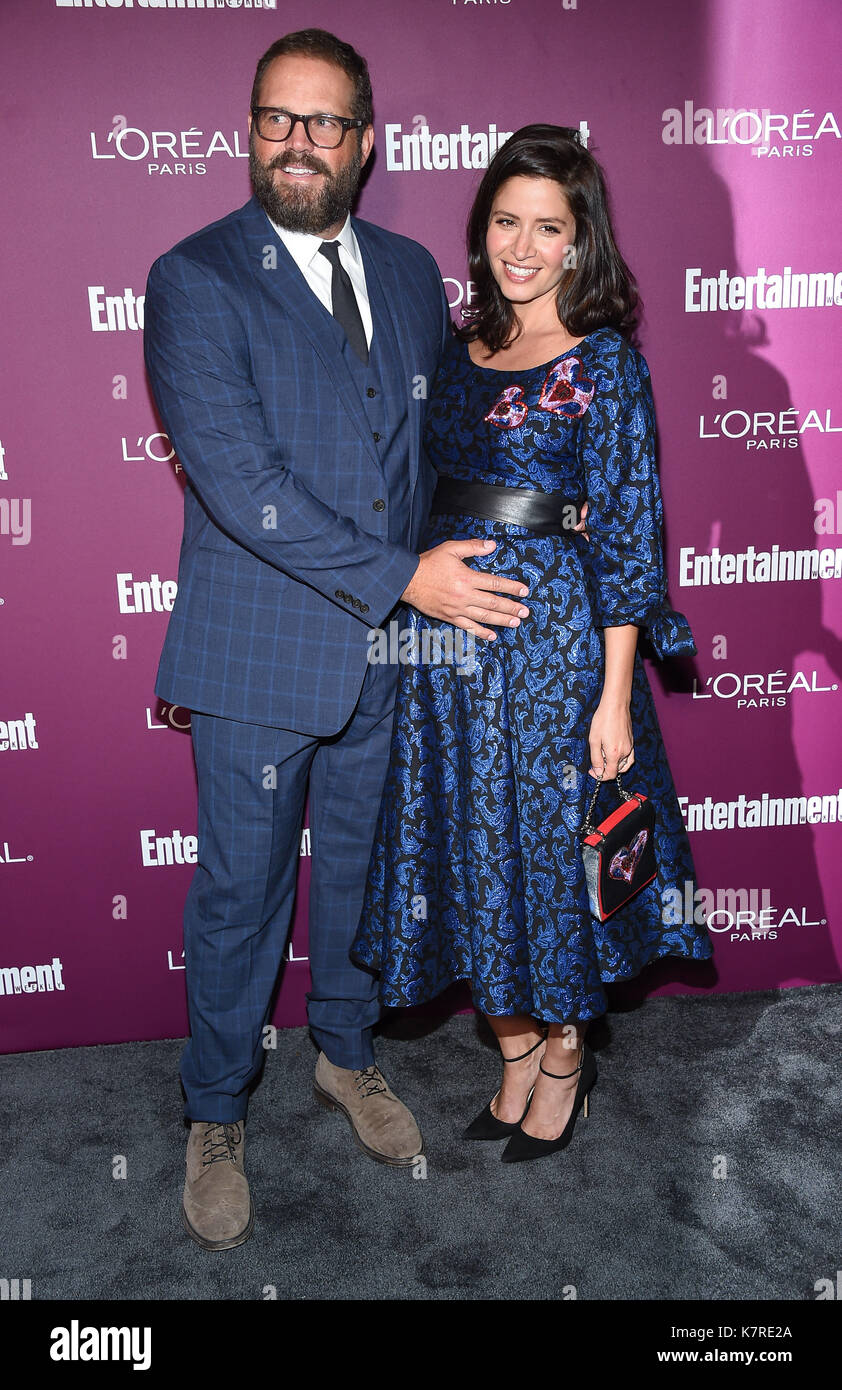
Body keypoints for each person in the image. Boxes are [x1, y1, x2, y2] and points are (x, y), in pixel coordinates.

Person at [143, 29, 533, 1249]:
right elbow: (239, 482)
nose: (298, 142)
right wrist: (404, 579)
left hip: (390, 657)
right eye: (276, 119)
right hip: (260, 649)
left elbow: (443, 450)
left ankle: (346, 1054)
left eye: (324, 123)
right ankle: (215, 1113)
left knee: (363, 877)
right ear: (248, 130)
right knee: (241, 896)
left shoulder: (416, 272)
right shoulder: (194, 276)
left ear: (366, 140)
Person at [352, 124, 715, 1163]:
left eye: (545, 226)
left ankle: (563, 1051)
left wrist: (612, 698)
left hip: (555, 645)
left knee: (554, 855)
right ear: (483, 229)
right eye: (505, 221)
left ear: (577, 241)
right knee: (469, 847)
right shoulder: (457, 350)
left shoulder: (604, 363)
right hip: (447, 641)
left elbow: (630, 528)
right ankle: (510, 1045)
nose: (520, 244)